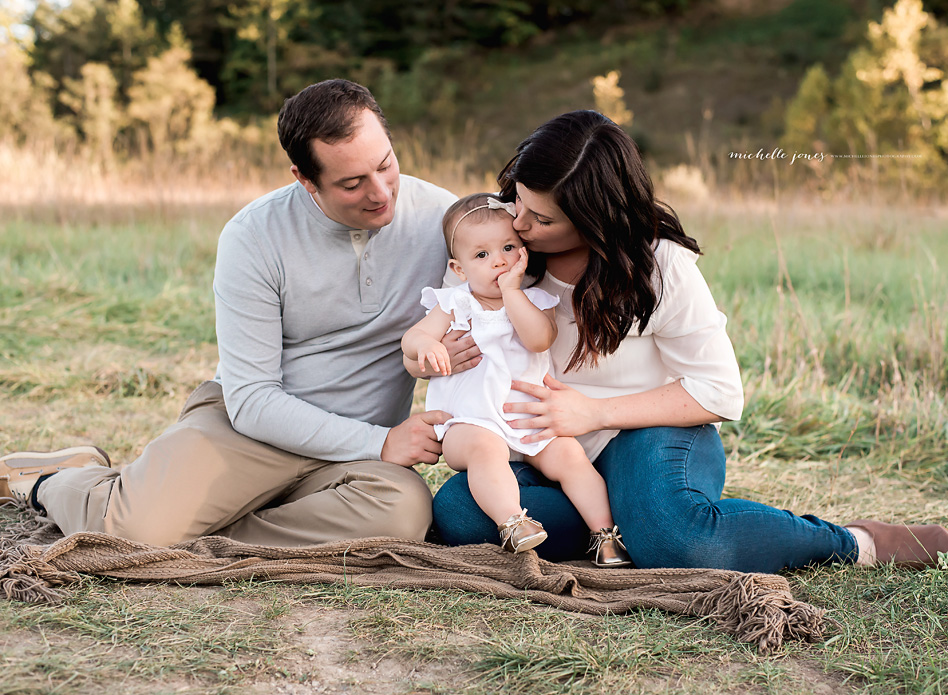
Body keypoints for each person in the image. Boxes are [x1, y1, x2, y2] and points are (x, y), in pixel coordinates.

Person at [430, 110, 948, 572]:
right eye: (518, 200)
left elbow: (719, 392)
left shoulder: (658, 266)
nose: (518, 224)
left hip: (651, 434)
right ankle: (621, 523)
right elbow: (447, 331)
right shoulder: (500, 250)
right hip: (549, 449)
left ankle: (856, 542)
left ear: (595, 220)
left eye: (541, 219)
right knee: (458, 512)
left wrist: (594, 412)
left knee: (676, 538)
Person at [0, 79, 459, 548]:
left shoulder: (445, 220)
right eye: (351, 183)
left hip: (357, 453)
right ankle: (58, 480)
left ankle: (199, 532)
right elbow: (253, 399)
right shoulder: (253, 235)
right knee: (132, 533)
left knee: (402, 515)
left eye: (385, 165)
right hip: (249, 431)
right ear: (305, 179)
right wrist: (381, 445)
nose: (380, 192)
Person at [401, 193, 632, 565]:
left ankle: (605, 535)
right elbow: (411, 338)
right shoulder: (455, 302)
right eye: (482, 255)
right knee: (486, 450)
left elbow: (539, 339)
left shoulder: (532, 301)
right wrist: (427, 344)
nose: (499, 261)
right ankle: (512, 522)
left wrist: (511, 292)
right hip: (472, 422)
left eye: (508, 247)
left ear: (523, 252)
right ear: (459, 269)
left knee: (571, 457)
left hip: (528, 418)